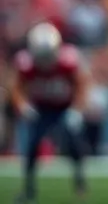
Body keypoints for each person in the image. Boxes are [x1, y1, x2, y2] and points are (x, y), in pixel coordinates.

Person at [9, 22, 89, 202]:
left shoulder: (68, 61)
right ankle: (29, 189)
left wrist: (76, 110)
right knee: (32, 146)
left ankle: (79, 179)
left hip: (64, 108)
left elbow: (82, 84)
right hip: (40, 108)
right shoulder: (25, 63)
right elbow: (16, 88)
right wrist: (23, 105)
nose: (45, 63)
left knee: (73, 143)